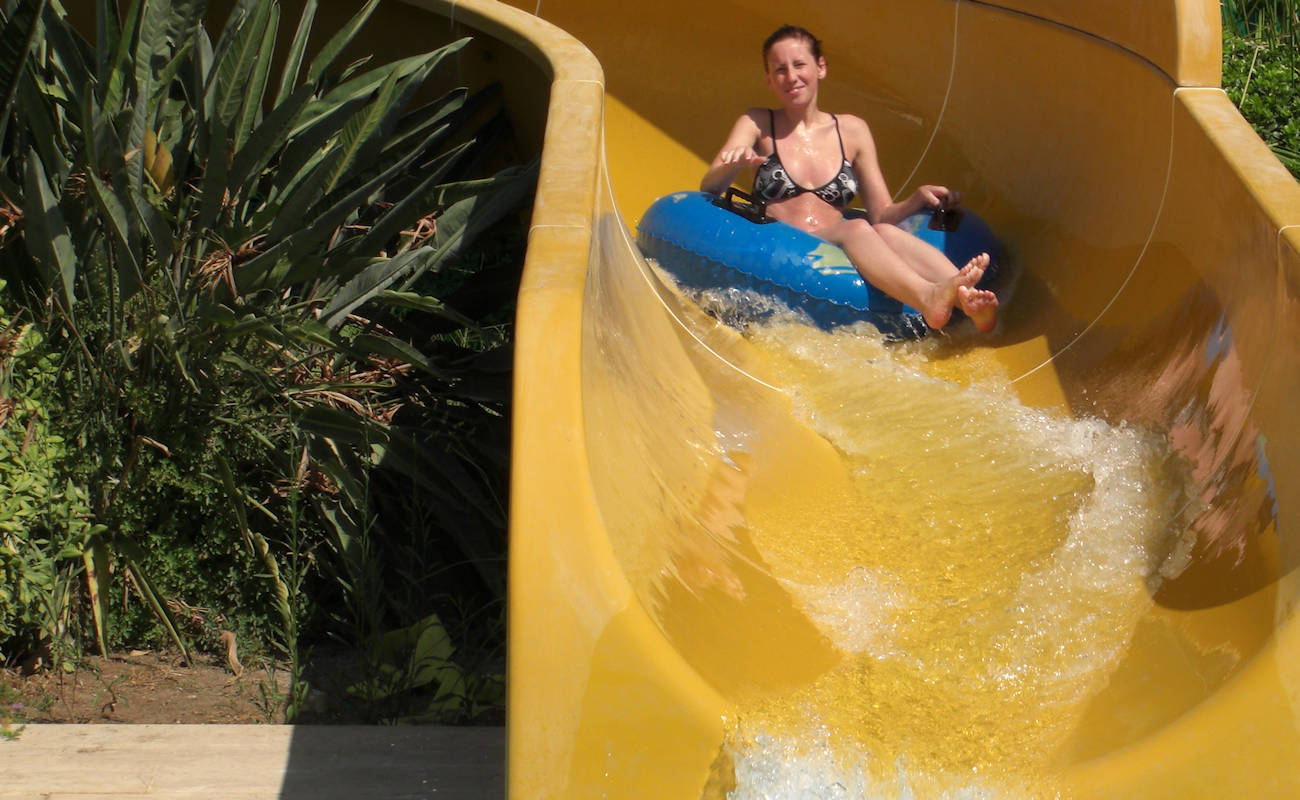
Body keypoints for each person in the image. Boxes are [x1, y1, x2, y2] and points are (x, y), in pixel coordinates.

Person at [700, 25, 997, 333]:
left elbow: (882, 212)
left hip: (835, 243)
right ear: (769, 80)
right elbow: (710, 189)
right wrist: (732, 163)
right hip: (783, 244)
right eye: (780, 70)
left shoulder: (853, 131)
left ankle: (967, 298)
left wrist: (917, 198)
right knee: (857, 228)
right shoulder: (758, 122)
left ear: (821, 67)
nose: (791, 76)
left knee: (883, 230)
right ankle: (928, 296)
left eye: (799, 64)